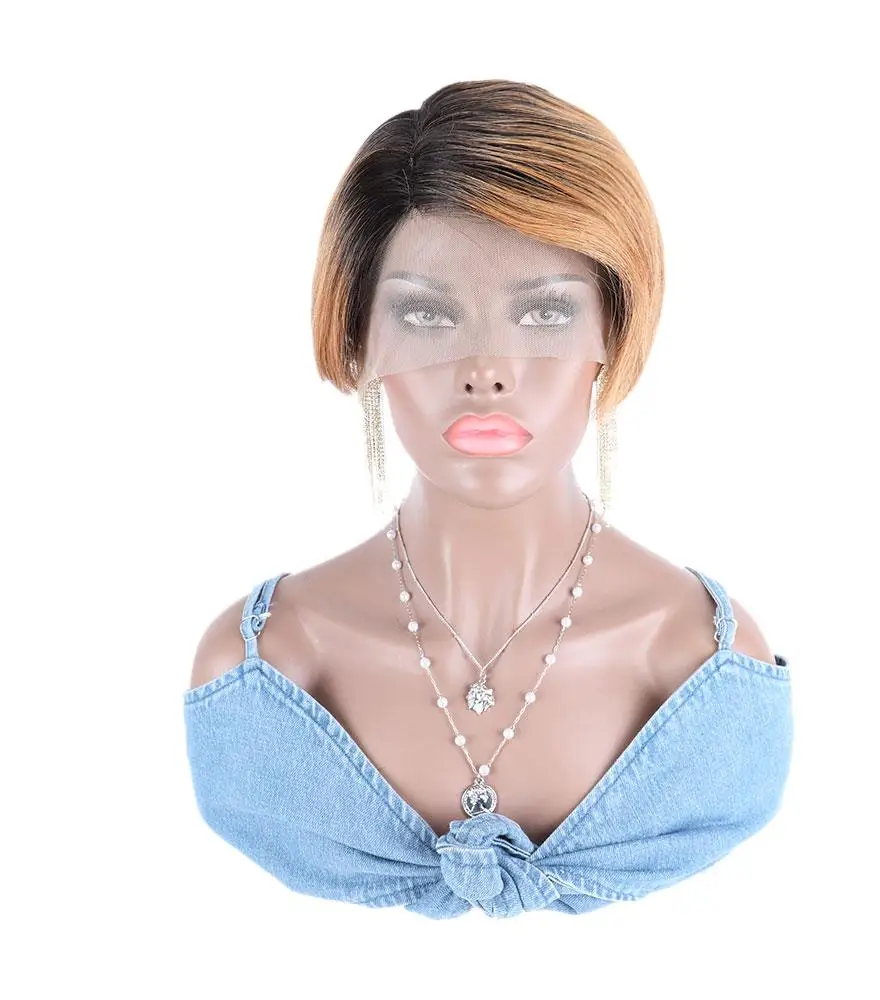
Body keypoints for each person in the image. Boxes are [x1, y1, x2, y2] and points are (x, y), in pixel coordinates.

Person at [183, 79, 792, 919]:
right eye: (428, 317)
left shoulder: (705, 667)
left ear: (613, 332)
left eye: (544, 313)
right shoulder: (261, 669)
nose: (487, 370)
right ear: (359, 341)